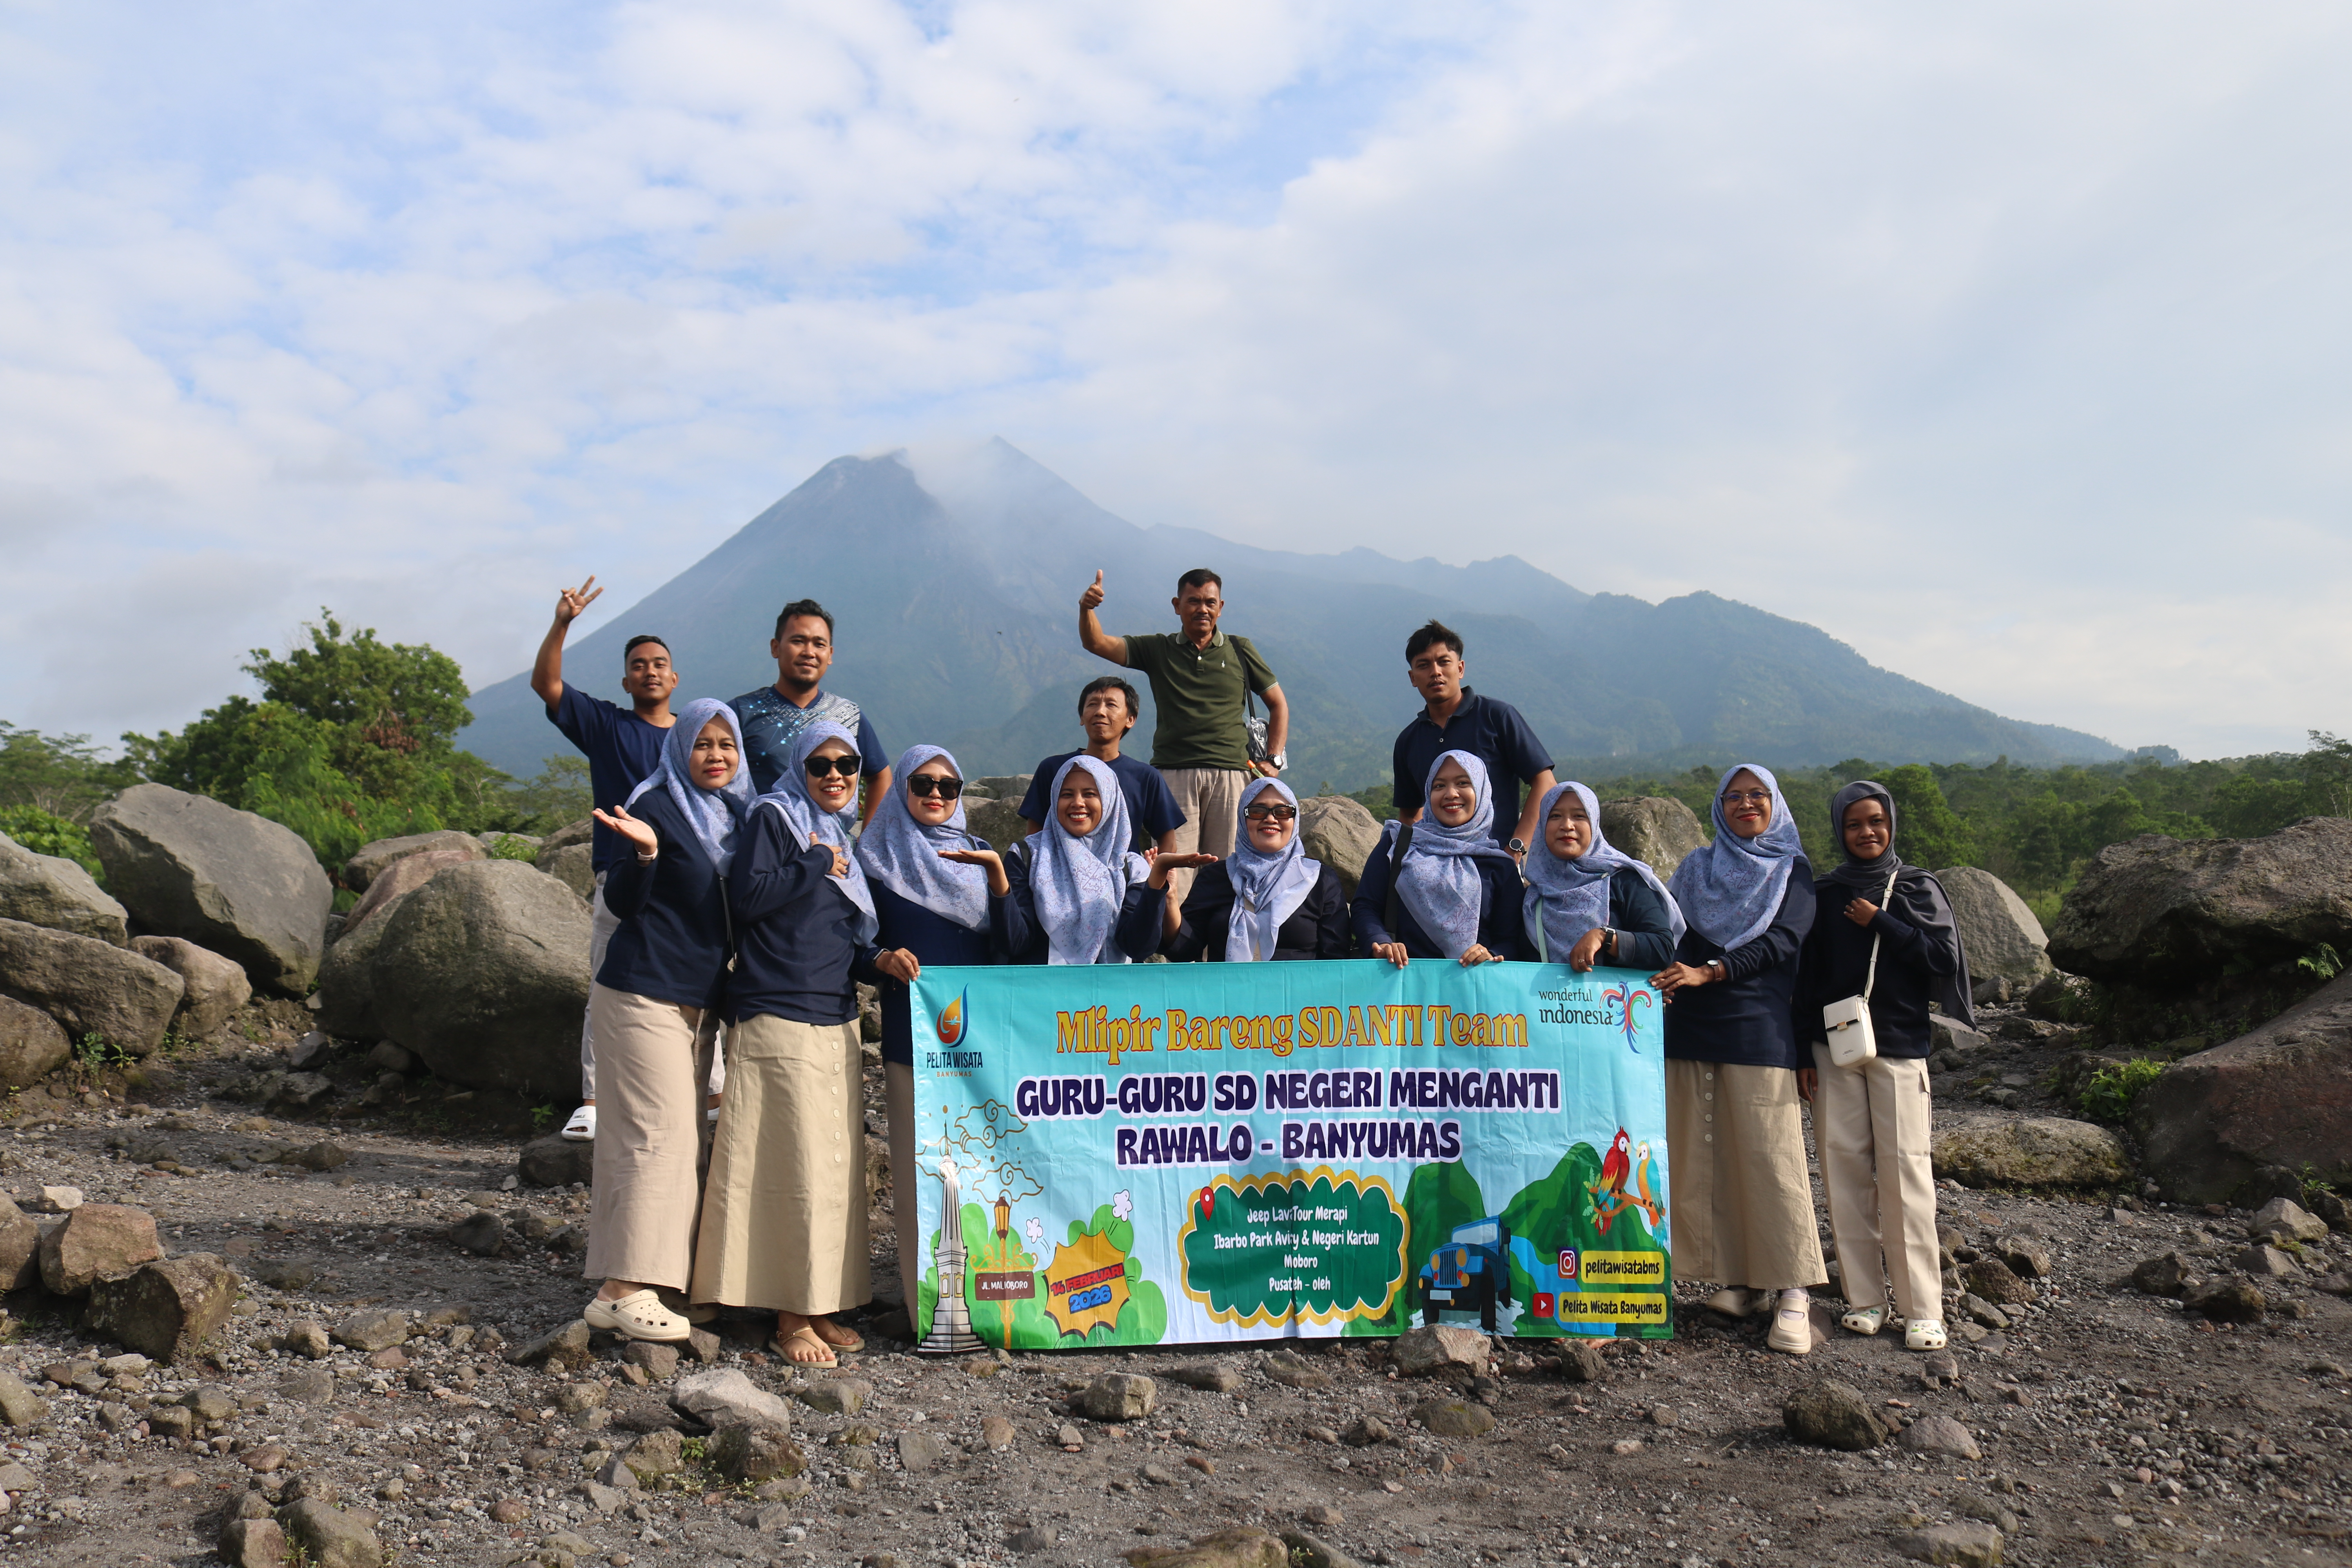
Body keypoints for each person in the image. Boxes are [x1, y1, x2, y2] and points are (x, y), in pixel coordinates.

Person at [694, 720, 906, 1367]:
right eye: (822, 766)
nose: (838, 776)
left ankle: (819, 1303)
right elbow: (749, 897)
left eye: (849, 767)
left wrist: (880, 962)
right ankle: (790, 1315)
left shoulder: (836, 836)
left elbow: (839, 942)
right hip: (778, 1013)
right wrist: (816, 859)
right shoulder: (776, 821)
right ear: (799, 769)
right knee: (791, 1167)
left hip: (832, 1015)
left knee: (831, 1167)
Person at [578, 698, 750, 1343]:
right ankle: (624, 1290)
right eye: (702, 744)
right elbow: (621, 899)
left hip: (695, 1003)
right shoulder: (655, 806)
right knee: (665, 1136)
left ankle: (648, 1280)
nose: (715, 756)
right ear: (679, 750)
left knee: (650, 1140)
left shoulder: (734, 816)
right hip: (643, 991)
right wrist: (646, 857)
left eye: (725, 745)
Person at [1794, 780, 1975, 1354]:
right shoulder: (1823, 894)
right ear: (1839, 831)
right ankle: (1864, 1298)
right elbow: (1805, 981)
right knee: (1844, 1174)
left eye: (1875, 822)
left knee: (1907, 1176)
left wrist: (1881, 921)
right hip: (1834, 1051)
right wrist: (1803, 1053)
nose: (1866, 833)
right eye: (1853, 825)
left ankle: (1924, 1307)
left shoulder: (1916, 887)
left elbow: (1943, 958)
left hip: (1899, 1049)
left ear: (1891, 824)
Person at [1652, 764, 1822, 1355]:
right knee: (1706, 1154)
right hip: (1692, 1029)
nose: (1747, 804)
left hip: (1758, 1029)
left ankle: (1795, 1290)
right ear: (1719, 807)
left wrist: (1712, 971)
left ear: (1775, 804)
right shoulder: (1698, 869)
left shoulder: (1790, 870)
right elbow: (1671, 933)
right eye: (1735, 796)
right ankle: (1742, 1280)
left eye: (1758, 796)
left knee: (1771, 1159)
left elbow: (1784, 941)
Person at [530, 576, 689, 1143]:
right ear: (626, 680)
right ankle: (593, 1100)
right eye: (640, 665)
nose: (650, 671)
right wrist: (563, 622)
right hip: (621, 875)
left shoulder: (697, 739)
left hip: (682, 882)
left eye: (659, 663)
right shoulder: (607, 726)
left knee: (695, 983)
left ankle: (710, 1095)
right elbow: (546, 683)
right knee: (605, 983)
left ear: (675, 677)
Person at [855, 744, 1002, 1312]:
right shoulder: (877, 857)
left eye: (949, 786)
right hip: (911, 1036)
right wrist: (880, 958)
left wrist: (999, 881)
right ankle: (928, 1307)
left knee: (983, 1161)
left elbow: (1013, 942)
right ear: (901, 791)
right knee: (922, 1165)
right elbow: (852, 938)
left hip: (982, 1043)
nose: (936, 794)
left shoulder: (982, 855)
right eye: (923, 783)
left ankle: (988, 1297)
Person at [1078, 568, 1287, 907]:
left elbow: (1278, 704)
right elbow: (1097, 643)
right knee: (1175, 873)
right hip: (1173, 775)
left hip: (1233, 773)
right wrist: (1088, 609)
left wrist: (1274, 760)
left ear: (1221, 607)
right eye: (1193, 602)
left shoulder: (1239, 649)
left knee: (1229, 871)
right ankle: (1177, 953)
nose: (1202, 609)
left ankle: (1221, 955)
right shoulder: (1158, 649)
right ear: (1177, 605)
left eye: (1209, 602)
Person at [944, 756, 1198, 964]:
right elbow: (1015, 942)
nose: (1078, 803)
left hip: (1108, 1012)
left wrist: (1157, 882)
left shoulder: (1130, 868)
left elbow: (1137, 947)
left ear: (1110, 801)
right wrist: (996, 874)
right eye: (1067, 794)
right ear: (1054, 799)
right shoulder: (1027, 856)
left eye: (1090, 794)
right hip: (1040, 1006)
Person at [1351, 751, 1534, 967]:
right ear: (1429, 794)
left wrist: (1491, 954)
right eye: (1439, 786)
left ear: (1482, 791)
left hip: (1471, 988)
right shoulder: (1397, 844)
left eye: (1463, 783)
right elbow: (1366, 906)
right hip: (1400, 984)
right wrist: (1380, 943)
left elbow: (1510, 940)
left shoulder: (1501, 866)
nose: (1451, 794)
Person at [1391, 621, 1556, 857]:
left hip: (1500, 860)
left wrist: (1516, 848)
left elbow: (1545, 782)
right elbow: (1409, 814)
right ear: (1413, 677)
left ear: (1460, 668)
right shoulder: (1408, 741)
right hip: (1437, 868)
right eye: (1424, 665)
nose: (1435, 672)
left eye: (1444, 662)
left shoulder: (1496, 717)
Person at [730, 598, 891, 828]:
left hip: (836, 855)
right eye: (798, 641)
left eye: (819, 644)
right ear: (775, 647)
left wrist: (869, 837)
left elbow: (880, 775)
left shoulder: (848, 715)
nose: (809, 652)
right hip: (766, 850)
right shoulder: (742, 712)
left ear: (830, 654)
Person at [1163, 777, 1349, 962]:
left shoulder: (1318, 880)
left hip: (1298, 990)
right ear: (1243, 820)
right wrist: (1170, 899)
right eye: (1257, 811)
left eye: (1283, 812)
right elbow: (1183, 951)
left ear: (1295, 820)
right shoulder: (1215, 877)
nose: (1270, 819)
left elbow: (1336, 957)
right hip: (1228, 990)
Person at [1016, 676, 1187, 857]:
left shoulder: (1144, 777)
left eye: (1111, 705)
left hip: (1124, 880)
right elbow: (1035, 834)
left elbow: (1168, 842)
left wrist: (1153, 876)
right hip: (1060, 880)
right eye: (1092, 705)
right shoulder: (1054, 769)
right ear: (1082, 717)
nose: (1100, 712)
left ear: (1130, 719)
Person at [1521, 782, 1684, 971]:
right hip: (1545, 1000)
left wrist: (1605, 938)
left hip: (1612, 999)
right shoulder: (1534, 895)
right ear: (1542, 826)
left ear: (1594, 822)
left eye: (1579, 816)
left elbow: (1662, 949)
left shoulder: (1624, 881)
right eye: (1555, 816)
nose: (1567, 825)